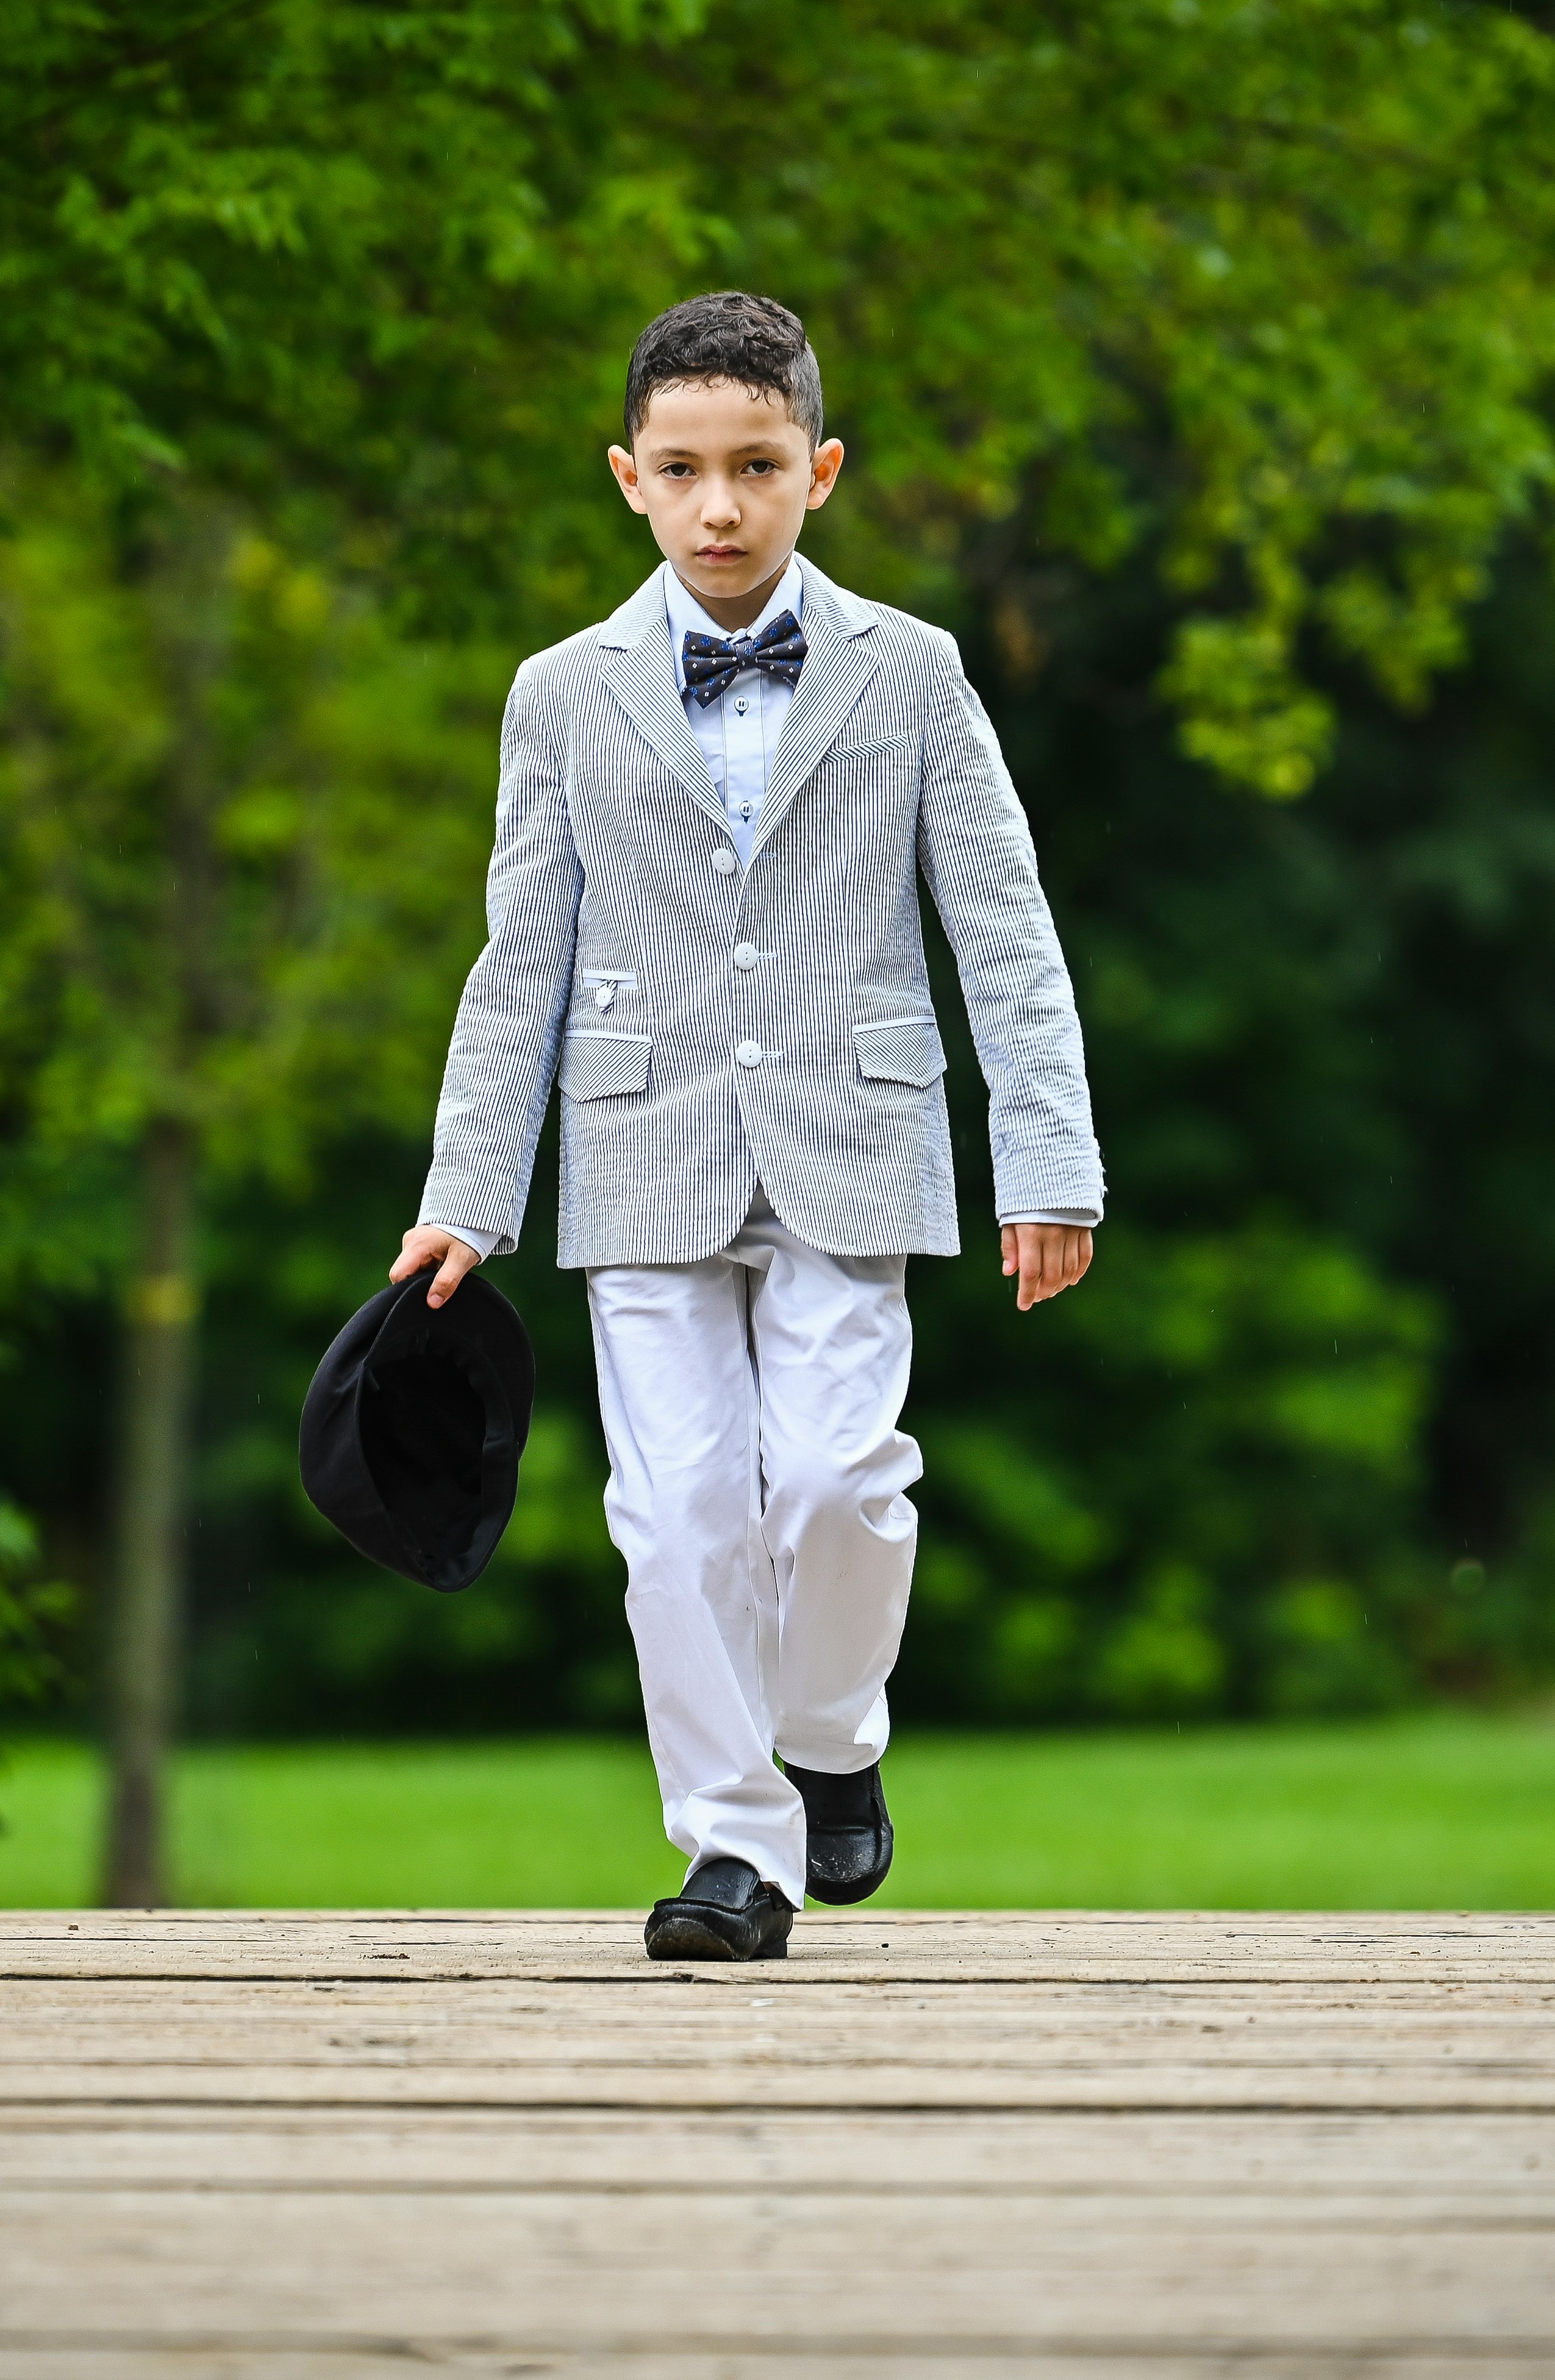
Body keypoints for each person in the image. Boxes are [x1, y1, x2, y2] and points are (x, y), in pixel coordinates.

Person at [396, 290, 1104, 1961]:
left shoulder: (914, 675)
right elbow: (522, 960)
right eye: (685, 470)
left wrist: (1049, 1162)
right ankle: (731, 1847)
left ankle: (835, 1739)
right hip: (640, 1143)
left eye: (758, 467)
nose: (722, 505)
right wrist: (466, 1197)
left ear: (821, 470)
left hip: (857, 1135)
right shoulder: (560, 693)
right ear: (627, 478)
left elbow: (1003, 931)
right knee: (681, 1504)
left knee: (844, 1482)